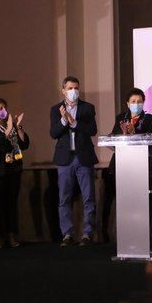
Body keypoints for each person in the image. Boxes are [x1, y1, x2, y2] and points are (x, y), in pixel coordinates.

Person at [103, 88, 152, 243]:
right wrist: (124, 134)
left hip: (145, 167)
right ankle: (127, 238)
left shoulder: (151, 119)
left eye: (139, 101)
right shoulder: (121, 118)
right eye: (133, 101)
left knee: (145, 203)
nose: (136, 104)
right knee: (125, 203)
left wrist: (135, 132)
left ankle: (146, 238)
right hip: (124, 167)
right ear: (127, 104)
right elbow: (113, 138)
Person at [50, 76, 98, 247]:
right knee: (64, 198)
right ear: (63, 90)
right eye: (70, 88)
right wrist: (64, 120)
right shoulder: (56, 109)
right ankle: (67, 234)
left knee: (88, 198)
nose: (73, 91)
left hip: (83, 157)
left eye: (76, 88)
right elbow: (53, 133)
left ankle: (87, 233)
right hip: (65, 159)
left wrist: (74, 122)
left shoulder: (87, 108)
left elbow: (92, 130)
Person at [0, 98, 30, 249]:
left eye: (4, 107)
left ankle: (11, 234)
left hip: (13, 170)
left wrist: (18, 126)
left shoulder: (12, 126)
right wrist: (9, 128)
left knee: (11, 204)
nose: (3, 111)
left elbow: (24, 144)